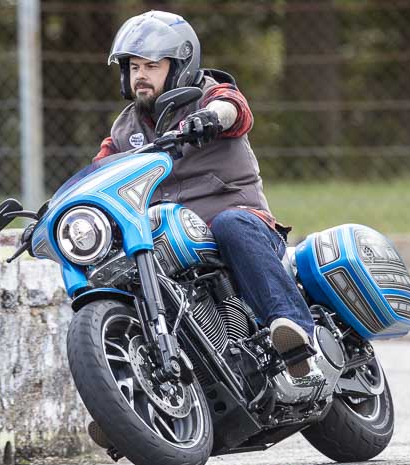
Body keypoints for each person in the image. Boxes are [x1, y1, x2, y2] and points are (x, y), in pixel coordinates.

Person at [95, 10, 319, 377]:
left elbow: (235, 108)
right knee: (123, 264)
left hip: (239, 222)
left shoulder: (209, 96)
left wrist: (212, 118)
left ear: (179, 65)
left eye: (151, 65)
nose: (140, 75)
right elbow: (97, 171)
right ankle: (128, 392)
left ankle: (293, 332)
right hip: (172, 236)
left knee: (231, 224)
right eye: (133, 67)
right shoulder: (125, 129)